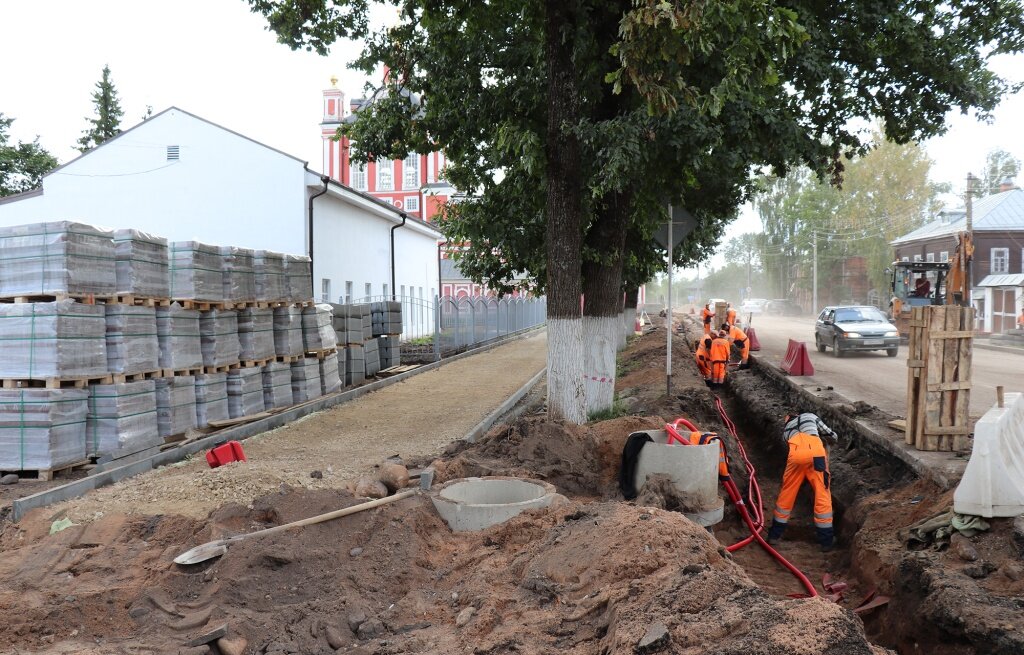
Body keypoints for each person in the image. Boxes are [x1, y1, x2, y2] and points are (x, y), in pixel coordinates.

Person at [766, 411, 839, 552]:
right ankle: (826, 541)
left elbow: (798, 454)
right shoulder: (809, 416)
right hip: (817, 455)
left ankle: (774, 535)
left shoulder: (786, 432)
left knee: (787, 493)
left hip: (796, 457)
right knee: (822, 493)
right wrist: (826, 439)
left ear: (788, 421)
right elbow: (832, 435)